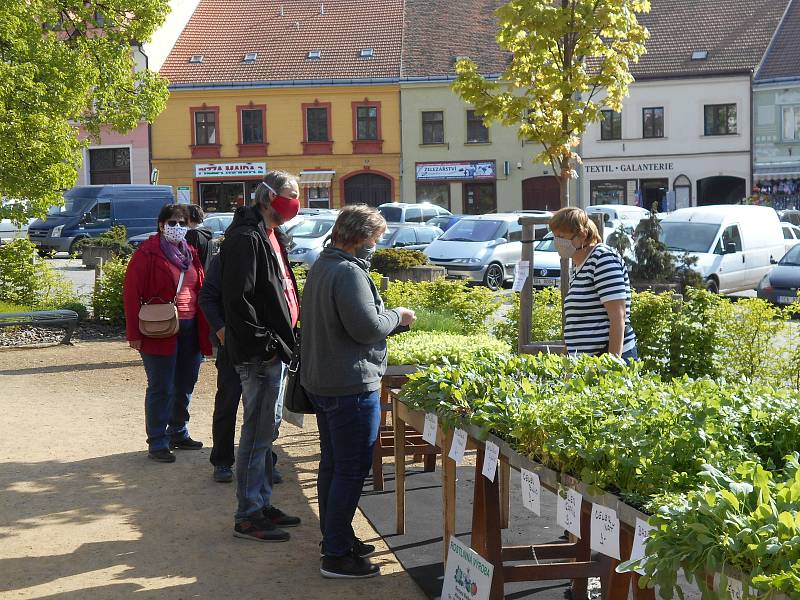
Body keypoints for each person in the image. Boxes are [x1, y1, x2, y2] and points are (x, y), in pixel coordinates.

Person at [300, 205, 416, 579]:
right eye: (375, 239)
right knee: (350, 469)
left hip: (326, 380)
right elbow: (366, 328)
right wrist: (398, 316)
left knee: (334, 464)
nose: (376, 246)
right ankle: (335, 554)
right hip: (349, 384)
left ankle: (336, 536)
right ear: (359, 237)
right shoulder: (347, 272)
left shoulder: (323, 264)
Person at [221, 170, 301, 542]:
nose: (296, 202)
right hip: (260, 355)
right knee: (256, 433)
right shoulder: (245, 237)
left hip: (274, 352)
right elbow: (237, 300)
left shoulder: (272, 235)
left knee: (267, 431)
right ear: (267, 196)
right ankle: (248, 514)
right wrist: (265, 345)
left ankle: (261, 502)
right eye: (291, 194)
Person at [123, 203, 212, 462]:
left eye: (182, 223)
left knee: (185, 383)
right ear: (161, 225)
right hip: (158, 329)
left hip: (191, 326)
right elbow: (131, 294)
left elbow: (200, 289)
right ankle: (157, 440)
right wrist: (133, 334)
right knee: (161, 387)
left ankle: (178, 432)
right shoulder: (147, 253)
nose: (177, 227)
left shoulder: (190, 253)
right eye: (172, 222)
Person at [199, 253, 284, 484]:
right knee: (228, 402)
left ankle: (266, 461)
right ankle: (222, 461)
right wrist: (220, 329)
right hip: (233, 346)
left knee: (266, 409)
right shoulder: (225, 258)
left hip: (265, 344)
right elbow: (207, 297)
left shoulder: (272, 255)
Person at [549, 207, 637, 361]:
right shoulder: (578, 266)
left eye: (562, 236)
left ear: (582, 235)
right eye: (555, 236)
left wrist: (611, 364)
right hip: (586, 363)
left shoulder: (602, 259)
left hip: (606, 361)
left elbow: (618, 317)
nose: (557, 242)